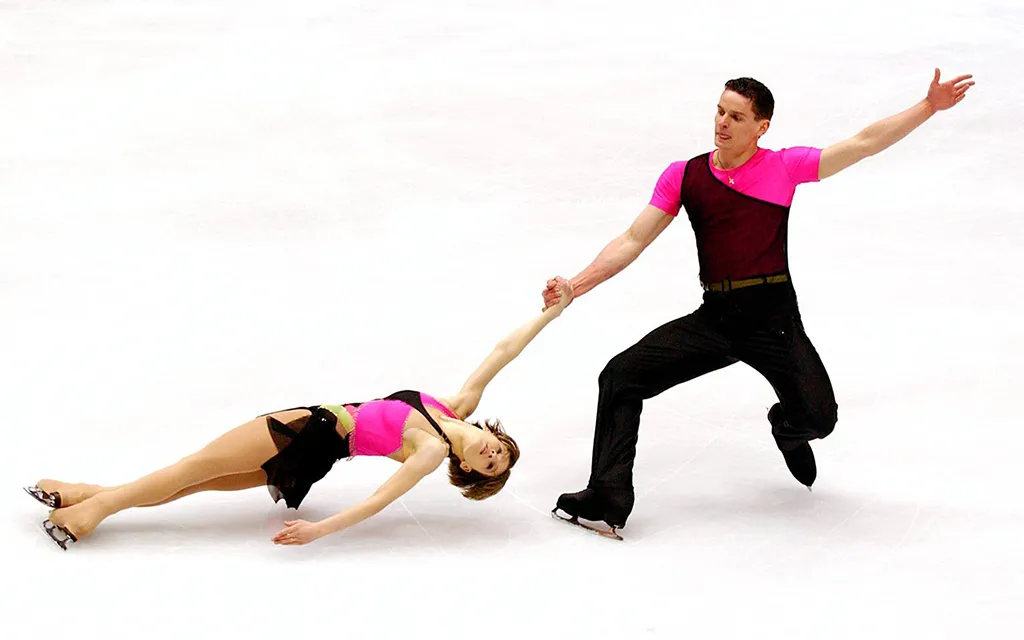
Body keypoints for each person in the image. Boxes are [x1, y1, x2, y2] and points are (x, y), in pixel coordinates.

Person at [542, 69, 975, 540]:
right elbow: (632, 239)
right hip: (717, 317)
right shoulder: (685, 176)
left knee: (819, 419)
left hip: (773, 318)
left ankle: (786, 428)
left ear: (761, 126)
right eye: (720, 112)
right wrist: (575, 286)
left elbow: (863, 143)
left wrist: (928, 107)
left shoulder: (784, 167)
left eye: (736, 116)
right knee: (620, 376)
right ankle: (606, 496)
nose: (722, 123)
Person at [26, 280, 573, 550]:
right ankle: (85, 493)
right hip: (315, 451)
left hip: (311, 431)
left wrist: (320, 530)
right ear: (490, 433)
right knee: (195, 481)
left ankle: (89, 513)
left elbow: (380, 500)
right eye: (500, 450)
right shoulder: (455, 407)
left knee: (191, 469)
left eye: (492, 466)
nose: (493, 454)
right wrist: (553, 311)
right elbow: (504, 351)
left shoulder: (429, 450)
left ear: (469, 469)